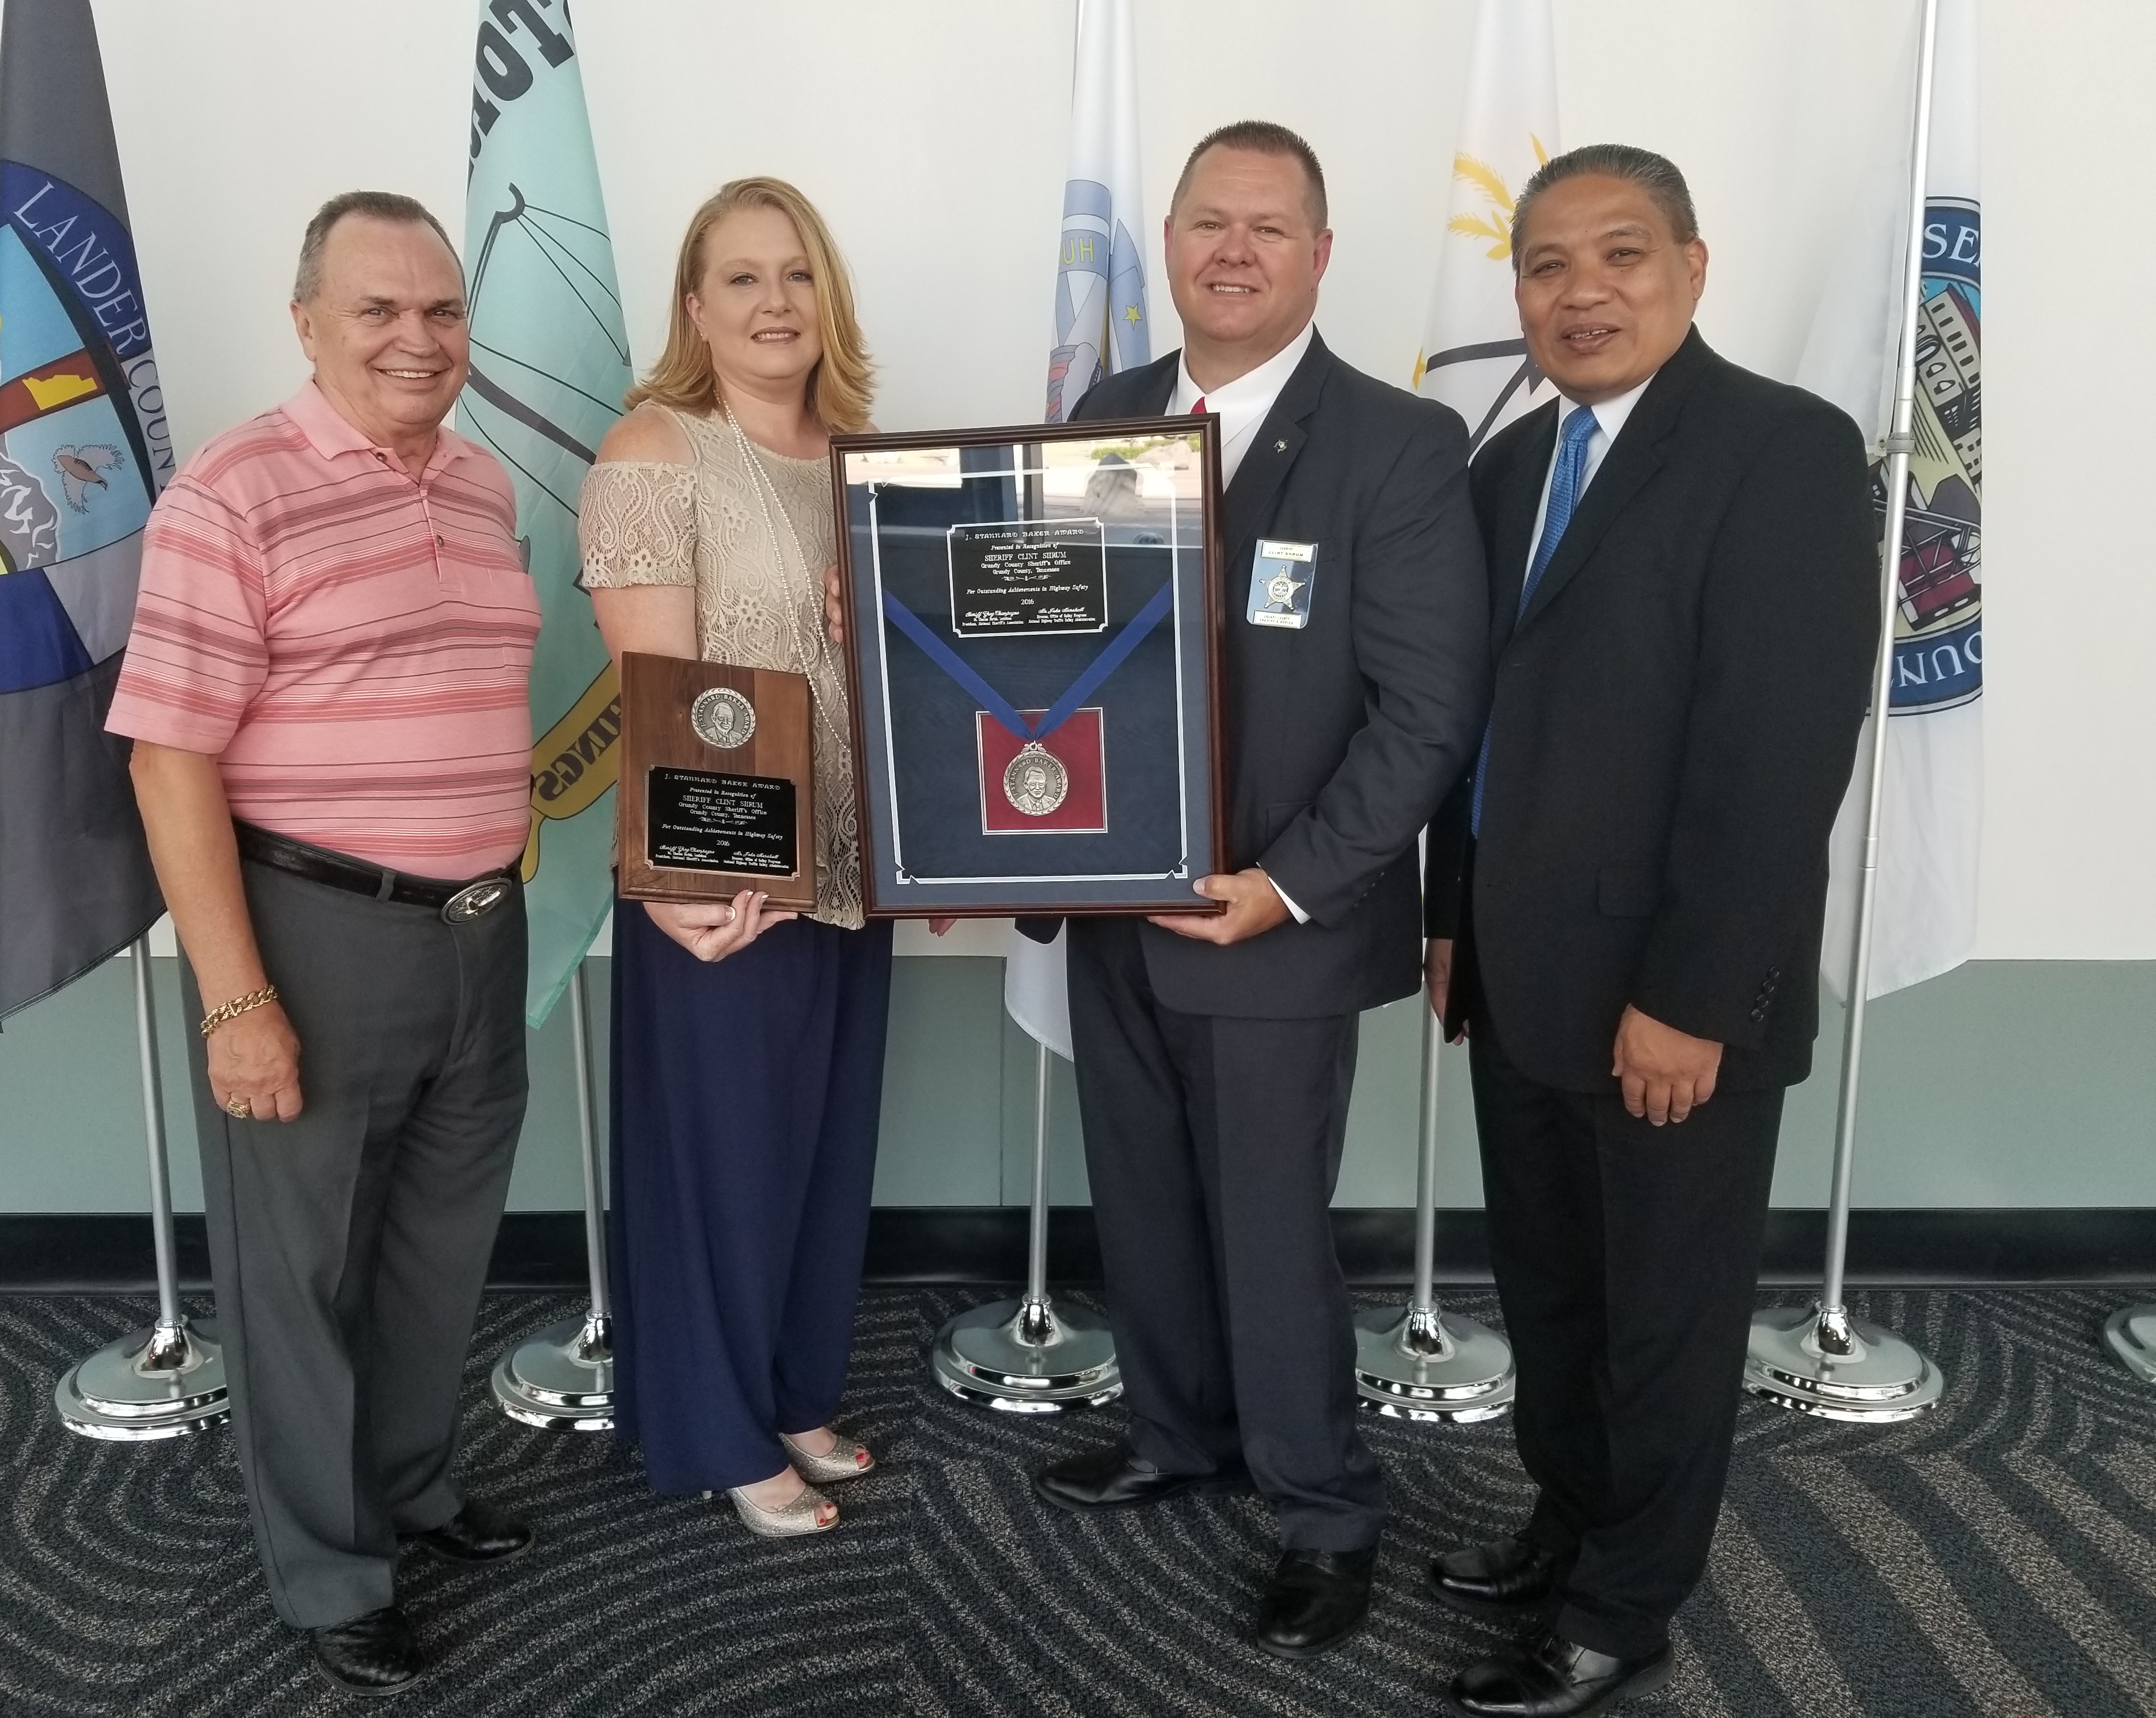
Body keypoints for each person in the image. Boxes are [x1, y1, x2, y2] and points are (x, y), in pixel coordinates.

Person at [1024, 121, 1493, 1657]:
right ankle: (1178, 1434)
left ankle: (1324, 1511)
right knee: (1144, 1199)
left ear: (1321, 254)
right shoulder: (1107, 412)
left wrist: (1285, 887)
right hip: (1115, 909)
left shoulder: (1398, 445)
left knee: (1274, 1235)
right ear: (1167, 240)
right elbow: (1044, 651)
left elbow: (1427, 715)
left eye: (1268, 227)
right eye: (1208, 222)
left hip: (1276, 923)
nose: (1233, 252)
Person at [1421, 146, 1879, 1716]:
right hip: (1517, 973)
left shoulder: (1784, 450)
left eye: (1621, 254)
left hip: (1670, 996)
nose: (1583, 291)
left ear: (1693, 265)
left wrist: (1693, 996)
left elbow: (1780, 755)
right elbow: (1472, 726)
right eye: (1547, 264)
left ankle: (1624, 1609)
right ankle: (1568, 1527)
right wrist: (1449, 916)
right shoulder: (1507, 468)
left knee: (1663, 1322)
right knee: (1555, 1296)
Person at [107, 192, 542, 1698]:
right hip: (313, 933)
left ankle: (412, 1487)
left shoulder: (483, 483)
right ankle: (331, 1572)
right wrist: (237, 1000)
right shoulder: (232, 494)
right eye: (379, 309)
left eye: (442, 310)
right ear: (307, 323)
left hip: (481, 931)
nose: (418, 337)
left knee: (436, 1248)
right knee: (298, 1274)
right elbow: (169, 758)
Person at [581, 177, 910, 1539]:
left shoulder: (869, 459)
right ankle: (719, 1430)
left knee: (824, 1152)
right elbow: (657, 693)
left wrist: (934, 849)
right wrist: (682, 883)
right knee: (723, 1165)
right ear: (695, 306)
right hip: (723, 878)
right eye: (742, 277)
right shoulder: (657, 451)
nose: (776, 302)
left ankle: (790, 1393)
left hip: (858, 867)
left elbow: (915, 677)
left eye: (797, 273)